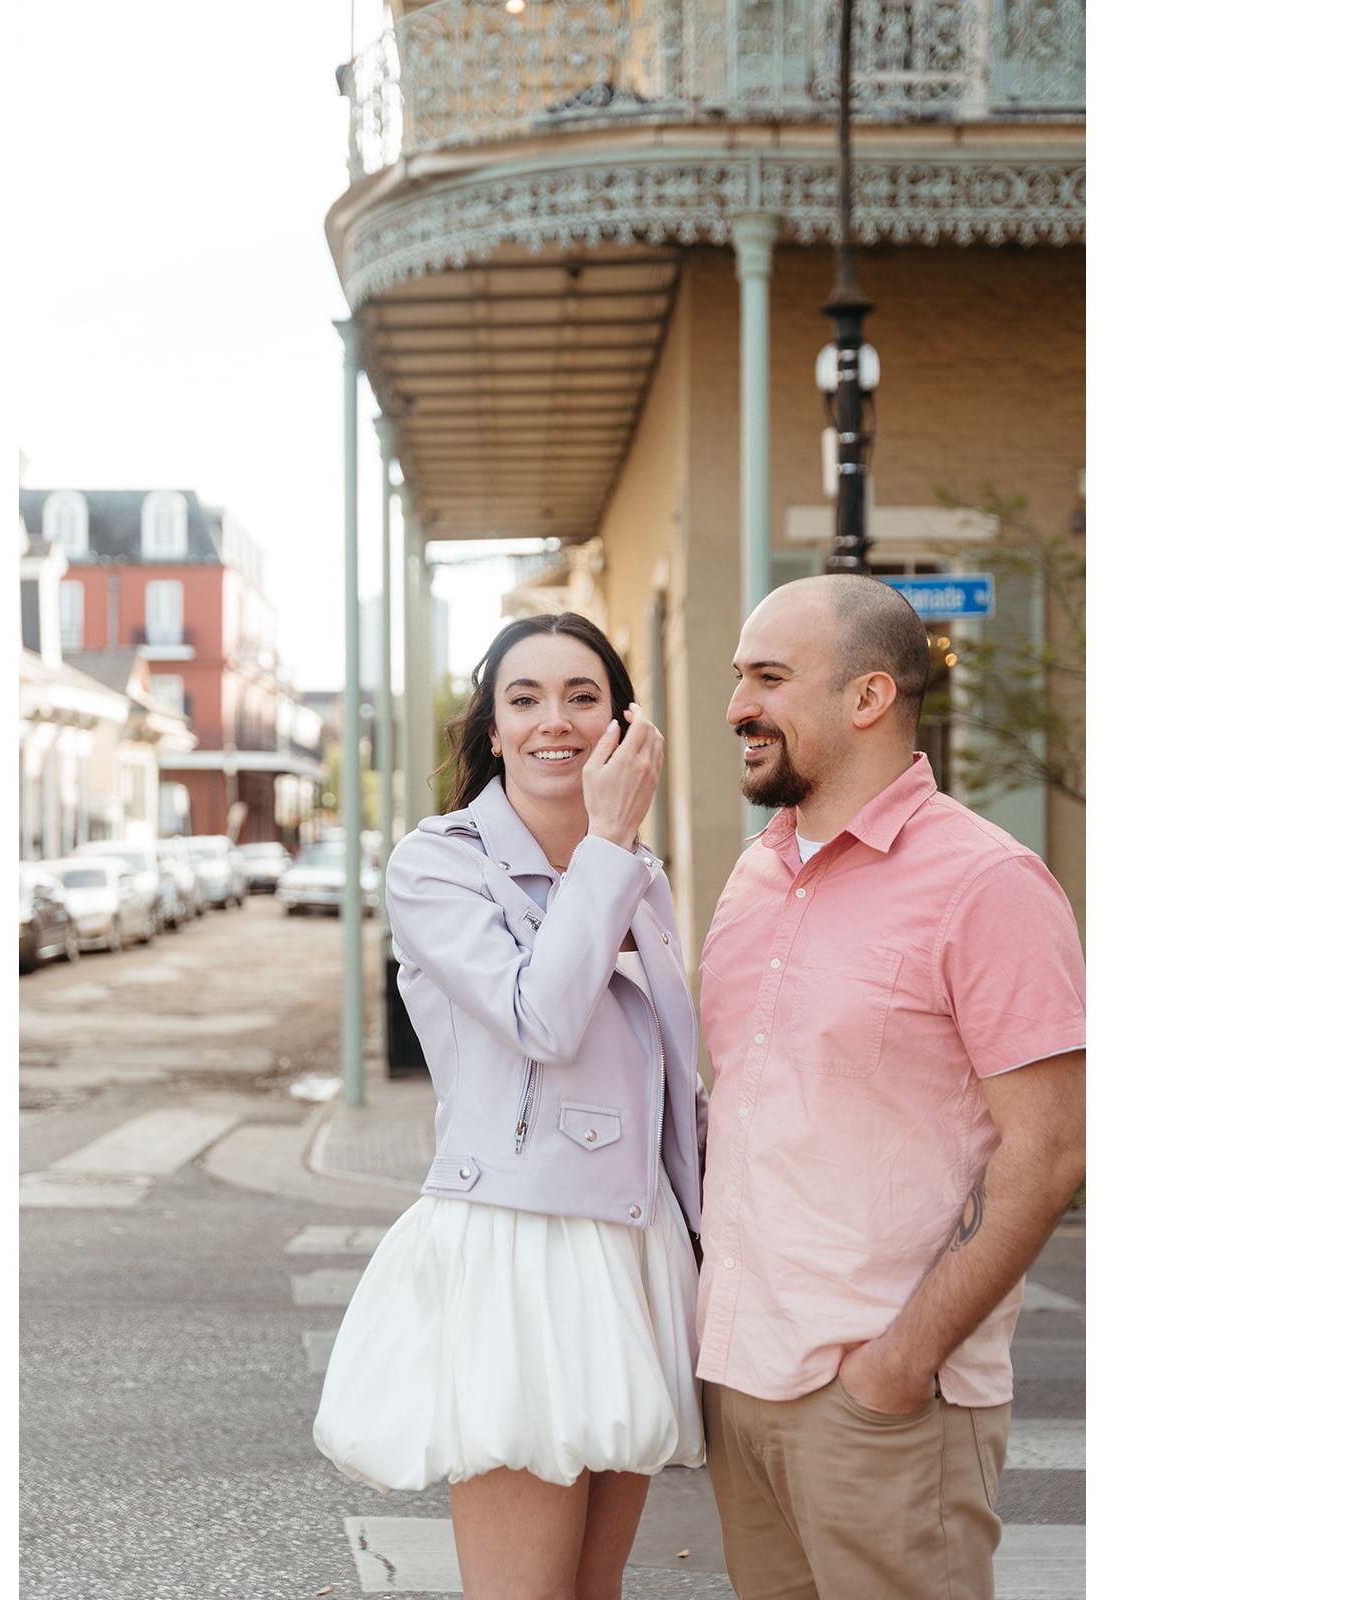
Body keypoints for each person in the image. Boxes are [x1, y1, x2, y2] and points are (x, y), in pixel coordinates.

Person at [696, 574, 1086, 1600]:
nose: (738, 705)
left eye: (770, 677)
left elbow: (1050, 1149)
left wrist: (896, 1366)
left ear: (868, 698)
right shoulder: (756, 873)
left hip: (882, 1404)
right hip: (739, 1382)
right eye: (741, 676)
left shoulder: (987, 884)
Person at [313, 612, 707, 1600]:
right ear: (490, 729)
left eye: (583, 696)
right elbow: (541, 1019)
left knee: (593, 1591)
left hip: (634, 1241)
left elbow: (671, 1079)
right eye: (522, 699)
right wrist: (608, 843)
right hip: (519, 1244)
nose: (553, 721)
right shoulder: (437, 861)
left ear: (620, 721)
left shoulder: (640, 874)